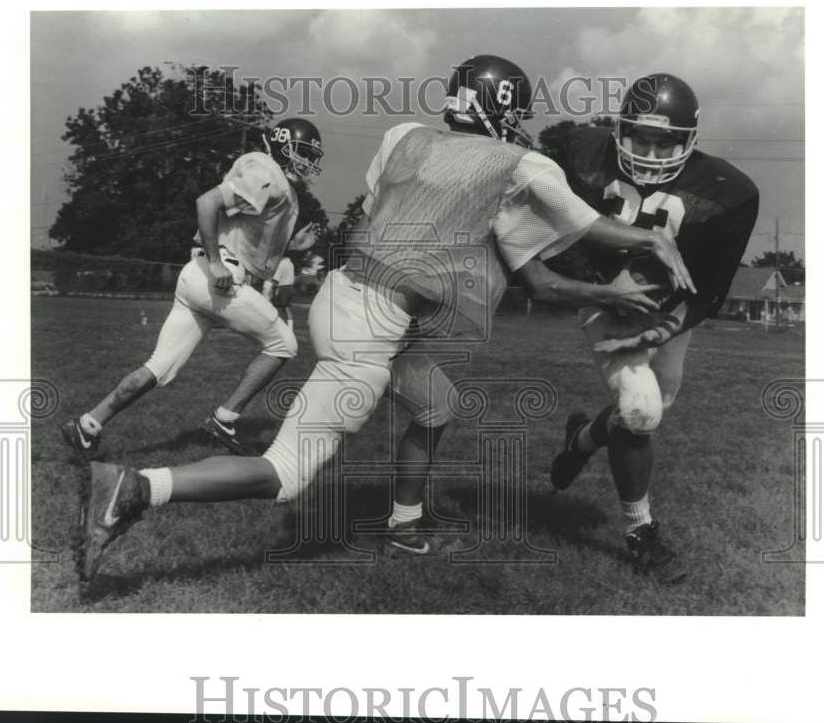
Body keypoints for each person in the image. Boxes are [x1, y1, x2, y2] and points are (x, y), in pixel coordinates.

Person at [73, 54, 695, 582]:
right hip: (370, 324)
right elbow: (590, 223)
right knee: (284, 474)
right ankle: (132, 488)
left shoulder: (403, 135)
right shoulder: (521, 165)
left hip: (345, 294)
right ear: (504, 109)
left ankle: (404, 523)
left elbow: (378, 223)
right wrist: (651, 244)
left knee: (436, 405)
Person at [546, 73, 759, 585]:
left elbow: (708, 291)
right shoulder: (581, 152)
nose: (649, 150)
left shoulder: (728, 192)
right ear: (620, 129)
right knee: (640, 410)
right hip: (604, 299)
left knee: (647, 410)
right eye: (640, 137)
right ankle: (640, 532)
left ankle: (581, 439)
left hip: (670, 309)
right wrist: (594, 283)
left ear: (689, 140)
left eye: (664, 140)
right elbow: (551, 224)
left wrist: (663, 330)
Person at [60, 118, 324, 459]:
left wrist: (290, 247)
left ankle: (88, 425)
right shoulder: (267, 170)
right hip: (217, 276)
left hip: (197, 275)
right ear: (282, 144)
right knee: (284, 343)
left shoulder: (268, 176)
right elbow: (206, 202)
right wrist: (216, 262)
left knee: (160, 366)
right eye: (302, 152)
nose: (305, 162)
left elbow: (245, 237)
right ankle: (224, 418)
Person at [263, 255, 296, 332]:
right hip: (290, 287)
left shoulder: (281, 264)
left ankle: (273, 326)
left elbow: (276, 279)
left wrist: (271, 288)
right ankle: (290, 328)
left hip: (282, 287)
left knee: (274, 308)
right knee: (286, 308)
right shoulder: (291, 263)